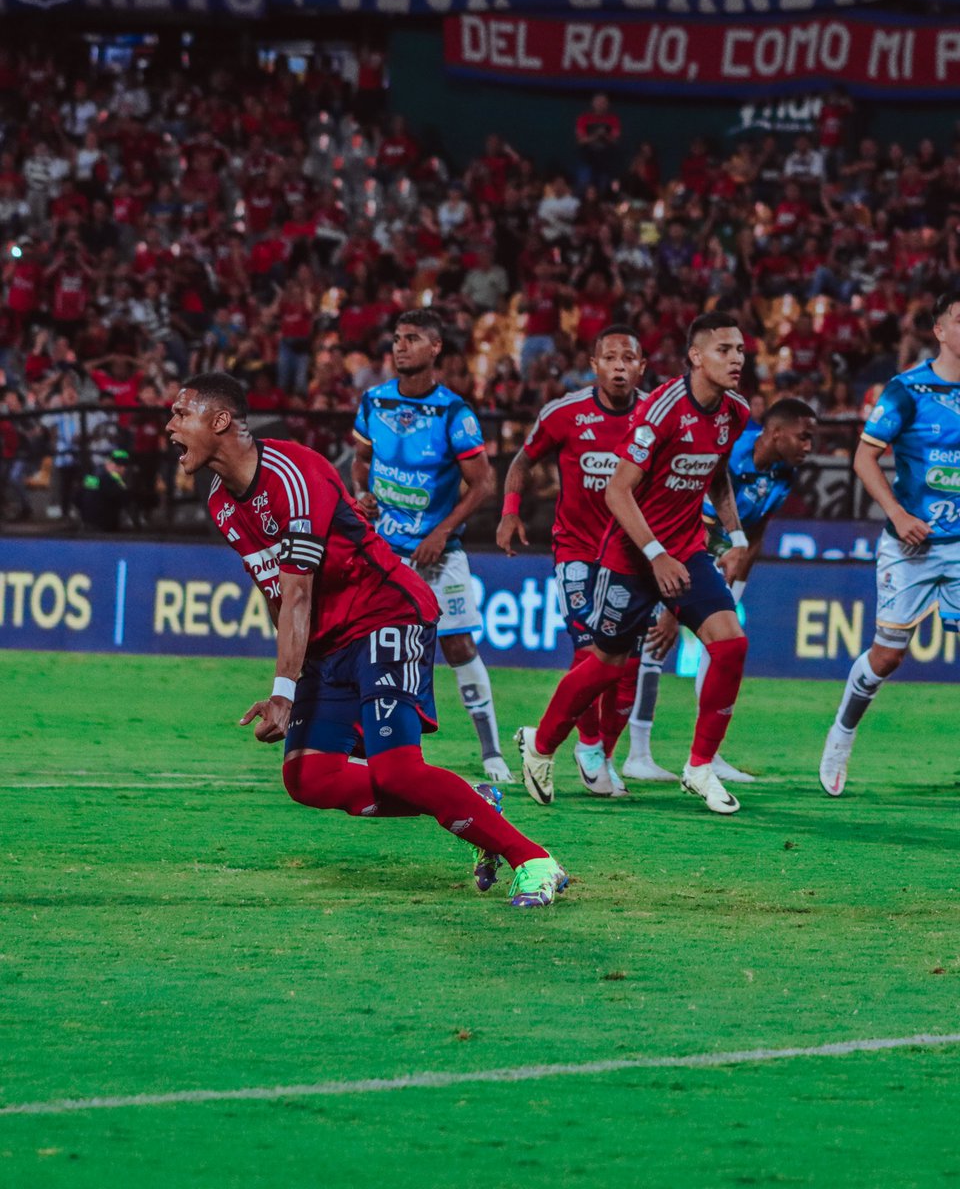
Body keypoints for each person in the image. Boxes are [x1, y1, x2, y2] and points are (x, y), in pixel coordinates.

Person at [166, 372, 566, 908]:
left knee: (397, 769)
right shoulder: (220, 500)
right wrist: (294, 671)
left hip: (385, 615)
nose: (169, 426)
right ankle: (472, 804)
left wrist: (285, 688)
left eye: (179, 414)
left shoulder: (295, 474)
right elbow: (274, 592)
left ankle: (534, 860)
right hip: (329, 642)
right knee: (308, 776)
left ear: (219, 422)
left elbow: (299, 593)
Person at [515, 311, 753, 815]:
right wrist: (655, 555)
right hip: (631, 552)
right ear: (696, 357)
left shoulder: (736, 412)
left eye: (740, 351)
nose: (737, 359)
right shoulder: (663, 410)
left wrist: (735, 535)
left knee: (730, 644)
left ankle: (699, 766)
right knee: (605, 664)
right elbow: (617, 491)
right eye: (725, 350)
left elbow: (717, 474)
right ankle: (540, 746)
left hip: (685, 548)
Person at [497, 325, 675, 798]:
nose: (620, 366)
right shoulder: (565, 413)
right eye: (610, 358)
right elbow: (520, 461)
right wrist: (510, 512)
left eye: (629, 358)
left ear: (642, 366)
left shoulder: (657, 415)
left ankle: (603, 754)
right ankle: (589, 745)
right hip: (577, 551)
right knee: (590, 649)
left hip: (633, 554)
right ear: (594, 366)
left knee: (627, 666)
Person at [351, 310, 514, 784]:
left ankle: (491, 752)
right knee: (372, 648)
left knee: (458, 644)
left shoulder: (453, 413)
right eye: (397, 338)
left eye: (412, 339)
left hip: (438, 555)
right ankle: (366, 744)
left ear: (435, 347)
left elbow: (484, 484)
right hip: (384, 551)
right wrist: (361, 493)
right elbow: (362, 461)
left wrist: (440, 533)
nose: (400, 347)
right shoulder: (373, 402)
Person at [624, 397, 818, 784]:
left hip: (719, 567)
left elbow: (757, 530)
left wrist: (740, 581)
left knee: (721, 651)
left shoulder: (784, 473)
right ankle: (637, 754)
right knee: (654, 646)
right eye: (803, 437)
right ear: (775, 433)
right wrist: (670, 610)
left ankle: (707, 756)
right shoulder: (729, 455)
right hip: (668, 552)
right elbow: (696, 527)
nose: (809, 446)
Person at [819, 291, 960, 797]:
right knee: (888, 656)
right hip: (913, 544)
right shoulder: (907, 390)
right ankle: (842, 732)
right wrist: (899, 515)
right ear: (940, 331)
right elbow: (863, 459)